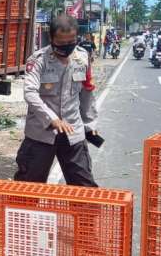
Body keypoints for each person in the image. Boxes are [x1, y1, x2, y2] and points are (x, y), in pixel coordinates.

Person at [15, 14, 99, 187]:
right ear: (51, 38)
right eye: (61, 43)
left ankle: (82, 215)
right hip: (41, 134)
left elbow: (87, 93)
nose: (67, 47)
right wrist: (52, 119)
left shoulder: (82, 58)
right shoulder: (38, 60)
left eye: (72, 42)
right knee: (28, 190)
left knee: (85, 189)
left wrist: (90, 127)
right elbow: (30, 92)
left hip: (73, 132)